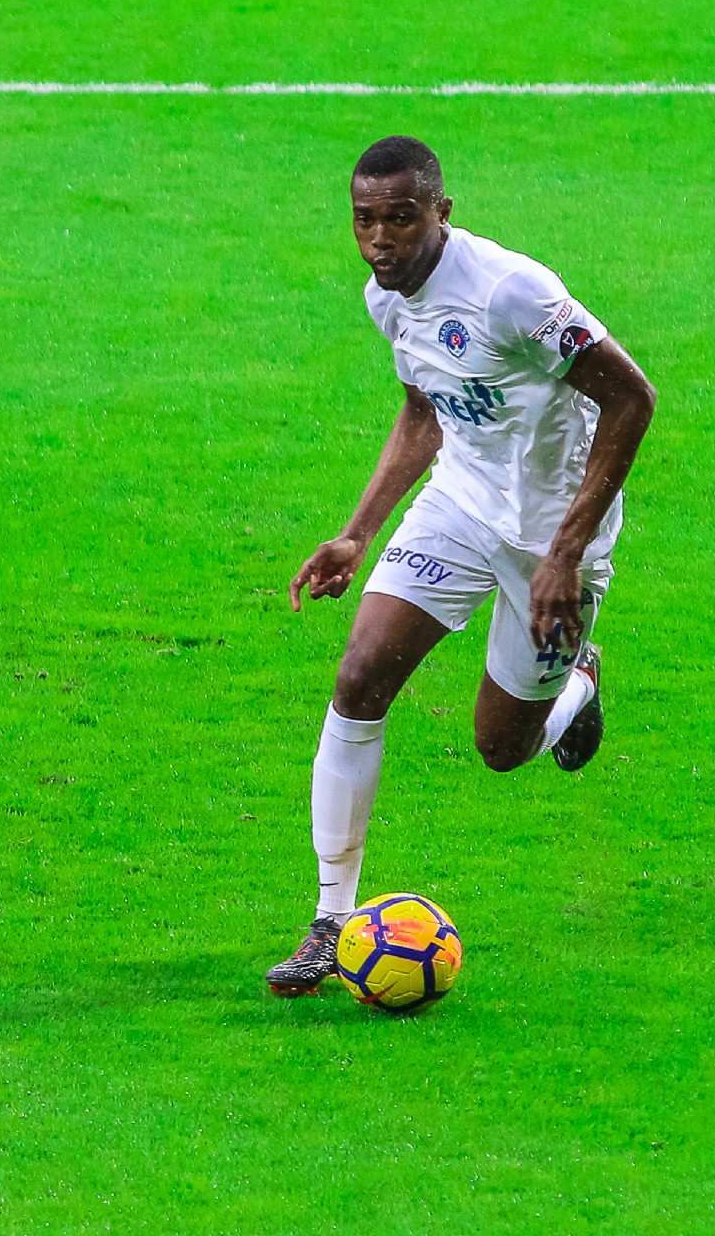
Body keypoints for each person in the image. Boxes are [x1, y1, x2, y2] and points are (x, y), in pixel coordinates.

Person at [266, 136, 656, 995]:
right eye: (365, 220)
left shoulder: (514, 292)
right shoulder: (386, 298)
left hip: (555, 538)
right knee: (359, 678)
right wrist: (358, 533)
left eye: (401, 218)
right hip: (462, 506)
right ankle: (330, 922)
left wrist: (565, 554)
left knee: (501, 747)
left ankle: (578, 683)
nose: (380, 239)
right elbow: (424, 409)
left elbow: (633, 397)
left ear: (442, 212)